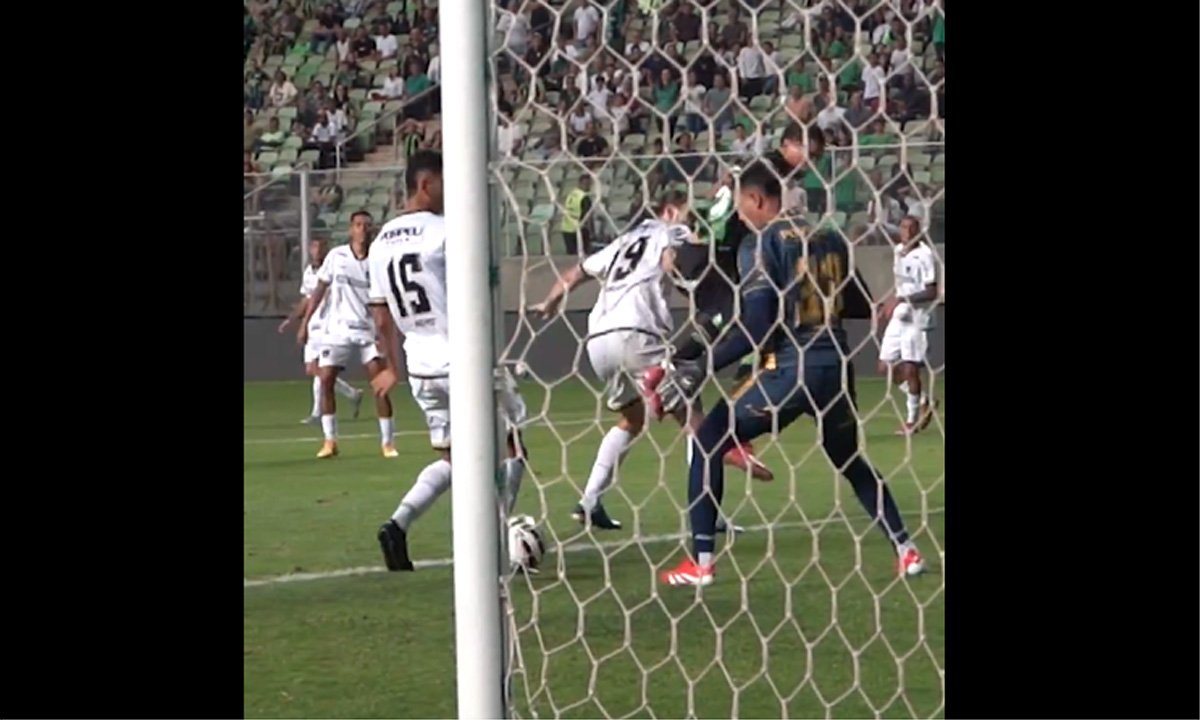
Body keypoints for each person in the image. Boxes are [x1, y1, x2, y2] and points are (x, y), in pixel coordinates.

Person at [651, 161, 927, 586]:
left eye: (742, 206)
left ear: (758, 200)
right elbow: (856, 303)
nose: (740, 216)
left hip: (791, 367)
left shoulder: (761, 244)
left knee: (709, 441)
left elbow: (757, 326)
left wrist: (701, 366)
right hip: (836, 366)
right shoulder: (830, 237)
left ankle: (701, 563)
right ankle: (907, 551)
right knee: (849, 458)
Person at [529, 192, 768, 532]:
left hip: (598, 340)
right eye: (684, 213)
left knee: (631, 418)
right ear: (668, 210)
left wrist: (549, 302)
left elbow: (574, 274)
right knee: (695, 420)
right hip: (638, 332)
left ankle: (589, 501)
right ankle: (707, 513)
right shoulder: (671, 232)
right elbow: (678, 259)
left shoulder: (622, 241)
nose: (688, 221)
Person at [370, 151, 529, 571]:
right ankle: (495, 541)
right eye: (442, 182)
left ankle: (398, 524)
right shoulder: (445, 232)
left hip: (421, 364)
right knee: (512, 448)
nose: (448, 190)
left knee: (454, 460)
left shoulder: (380, 241)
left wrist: (390, 366)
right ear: (424, 185)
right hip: (463, 359)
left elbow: (381, 313)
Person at [297, 211, 398, 459]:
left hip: (367, 330)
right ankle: (330, 441)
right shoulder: (337, 256)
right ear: (351, 229)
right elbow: (319, 290)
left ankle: (388, 443)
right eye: (358, 225)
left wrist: (384, 334)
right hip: (338, 329)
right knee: (325, 380)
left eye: (366, 225)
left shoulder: (378, 259)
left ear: (372, 230)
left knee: (379, 386)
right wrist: (305, 323)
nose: (362, 229)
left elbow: (386, 301)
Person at [278, 236, 363, 424]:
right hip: (314, 324)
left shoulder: (334, 268)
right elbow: (307, 300)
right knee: (312, 369)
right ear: (309, 249)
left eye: (321, 245)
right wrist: (292, 320)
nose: (317, 250)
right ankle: (351, 393)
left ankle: (318, 413)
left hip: (329, 324)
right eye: (314, 246)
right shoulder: (309, 271)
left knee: (322, 367)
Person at [878, 216, 938, 435]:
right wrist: (887, 303)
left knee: (910, 368)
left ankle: (911, 421)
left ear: (919, 231)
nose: (907, 231)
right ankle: (924, 401)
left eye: (912, 228)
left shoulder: (925, 255)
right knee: (885, 367)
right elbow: (901, 286)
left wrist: (902, 300)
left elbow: (932, 291)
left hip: (917, 319)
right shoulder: (898, 251)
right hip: (900, 317)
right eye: (904, 227)